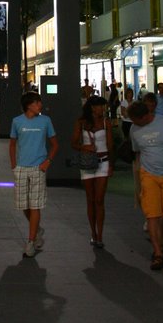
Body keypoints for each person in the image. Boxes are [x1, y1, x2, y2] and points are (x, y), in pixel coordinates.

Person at [128, 99, 163, 271]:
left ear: (146, 116)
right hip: (148, 174)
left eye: (137, 120)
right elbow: (137, 151)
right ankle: (157, 252)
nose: (134, 124)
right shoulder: (134, 129)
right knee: (152, 215)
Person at [9, 93, 59, 258]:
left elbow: (54, 144)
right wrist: (14, 165)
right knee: (24, 205)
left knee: (35, 205)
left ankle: (31, 241)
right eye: (37, 103)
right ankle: (36, 228)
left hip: (39, 167)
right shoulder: (17, 121)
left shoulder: (45, 121)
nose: (40, 105)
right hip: (22, 167)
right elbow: (12, 144)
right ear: (29, 105)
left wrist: (48, 162)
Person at [71, 96, 114, 248]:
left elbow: (110, 145)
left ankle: (100, 234)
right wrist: (85, 147)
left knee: (99, 200)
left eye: (103, 106)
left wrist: (111, 165)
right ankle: (93, 233)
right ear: (92, 107)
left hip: (103, 161)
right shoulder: (81, 123)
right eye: (100, 106)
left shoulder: (106, 122)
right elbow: (73, 143)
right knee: (90, 199)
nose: (102, 109)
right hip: (88, 163)